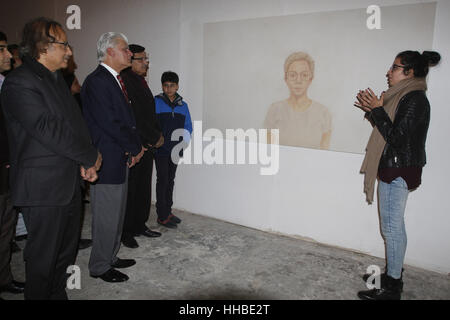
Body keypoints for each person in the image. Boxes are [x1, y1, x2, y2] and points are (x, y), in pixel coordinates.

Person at [1, 18, 101, 300]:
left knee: (64, 256)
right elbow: (48, 129)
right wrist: (90, 156)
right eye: (63, 44)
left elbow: (75, 123)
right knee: (43, 262)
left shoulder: (55, 79)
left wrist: (85, 161)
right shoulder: (19, 83)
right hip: (42, 188)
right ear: (43, 47)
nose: (69, 51)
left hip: (67, 182)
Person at [355, 50, 441, 300]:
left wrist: (377, 110)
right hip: (395, 168)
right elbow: (391, 132)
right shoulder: (405, 96)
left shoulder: (414, 99)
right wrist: (374, 111)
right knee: (395, 227)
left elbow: (396, 139)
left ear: (409, 72)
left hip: (398, 170)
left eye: (394, 67)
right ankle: (393, 274)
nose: (388, 72)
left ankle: (392, 288)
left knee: (391, 229)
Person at [81, 32, 145, 283]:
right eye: (125, 49)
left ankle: (109, 255)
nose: (130, 53)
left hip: (118, 156)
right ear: (109, 51)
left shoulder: (115, 79)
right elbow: (110, 123)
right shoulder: (97, 81)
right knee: (106, 215)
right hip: (105, 160)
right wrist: (134, 146)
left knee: (116, 214)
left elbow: (124, 120)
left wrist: (132, 148)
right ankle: (99, 266)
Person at [119, 44, 164, 249]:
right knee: (131, 190)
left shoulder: (140, 81)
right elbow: (134, 117)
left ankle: (139, 225)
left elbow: (148, 113)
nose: (146, 63)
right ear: (130, 60)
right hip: (137, 145)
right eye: (141, 59)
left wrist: (156, 135)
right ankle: (126, 231)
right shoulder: (126, 83)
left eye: (147, 59)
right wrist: (152, 137)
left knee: (143, 188)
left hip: (147, 144)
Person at [0, 31, 25, 300]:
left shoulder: (7, 83)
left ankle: (3, 278)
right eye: (2, 50)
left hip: (8, 169)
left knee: (6, 227)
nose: (8, 55)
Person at [264, 52, 332, 149]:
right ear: (285, 78)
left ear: (311, 79)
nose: (298, 81)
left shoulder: (323, 113)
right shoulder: (275, 109)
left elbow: (325, 154)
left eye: (304, 75)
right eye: (293, 75)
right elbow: (269, 150)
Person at [154, 71, 192, 229]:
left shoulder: (183, 106)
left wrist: (184, 143)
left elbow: (188, 127)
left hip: (176, 150)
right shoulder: (156, 102)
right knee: (162, 180)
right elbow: (151, 124)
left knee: (170, 180)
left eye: (172, 85)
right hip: (161, 150)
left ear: (177, 86)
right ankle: (161, 215)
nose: (169, 89)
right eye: (166, 86)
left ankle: (168, 211)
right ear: (162, 86)